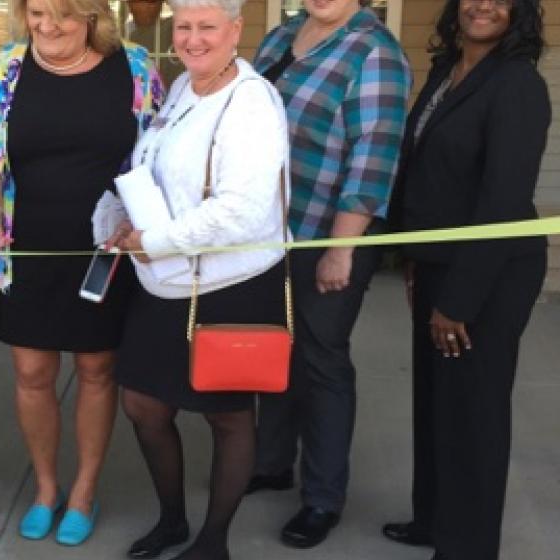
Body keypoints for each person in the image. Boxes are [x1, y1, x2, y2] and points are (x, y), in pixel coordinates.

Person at [0, 0, 162, 545]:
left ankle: (83, 491)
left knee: (98, 370)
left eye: (64, 15)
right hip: (26, 245)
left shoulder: (136, 67)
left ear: (93, 17)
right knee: (31, 373)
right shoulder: (4, 69)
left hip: (104, 250)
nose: (47, 26)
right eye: (37, 12)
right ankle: (47, 488)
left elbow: (157, 152)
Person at [108, 0, 290, 558]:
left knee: (228, 416)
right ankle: (172, 521)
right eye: (183, 27)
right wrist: (119, 214)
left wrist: (153, 239)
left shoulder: (252, 103)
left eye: (206, 27)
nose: (191, 39)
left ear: (235, 31)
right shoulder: (186, 86)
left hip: (229, 282)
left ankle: (213, 541)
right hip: (164, 277)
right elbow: (154, 164)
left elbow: (242, 211)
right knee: (143, 403)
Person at [382, 1, 549, 558]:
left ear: (518, 14)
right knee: (435, 402)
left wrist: (457, 301)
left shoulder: (518, 85)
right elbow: (429, 170)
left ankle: (468, 545)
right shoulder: (447, 70)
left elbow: (502, 200)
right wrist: (412, 257)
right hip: (436, 261)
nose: (482, 5)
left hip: (488, 274)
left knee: (472, 411)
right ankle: (433, 519)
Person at [249, 0, 410, 548]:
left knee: (321, 357)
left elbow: (374, 157)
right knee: (274, 347)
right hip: (268, 230)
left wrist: (341, 248)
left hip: (329, 232)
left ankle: (322, 498)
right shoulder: (284, 36)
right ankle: (271, 464)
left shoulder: (375, 52)